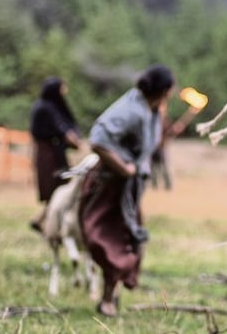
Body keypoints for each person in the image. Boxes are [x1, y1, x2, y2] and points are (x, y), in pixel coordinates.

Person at [79, 64, 175, 317]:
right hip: (109, 184)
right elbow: (98, 139)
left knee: (130, 239)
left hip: (128, 189)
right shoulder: (131, 110)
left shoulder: (151, 110)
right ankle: (107, 300)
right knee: (111, 239)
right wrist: (123, 168)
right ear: (165, 90)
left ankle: (111, 294)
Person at [29, 77, 83, 232]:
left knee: (59, 186)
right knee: (56, 186)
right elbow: (62, 130)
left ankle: (42, 220)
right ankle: (42, 221)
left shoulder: (48, 106)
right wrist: (78, 143)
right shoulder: (46, 108)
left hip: (52, 152)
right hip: (49, 154)